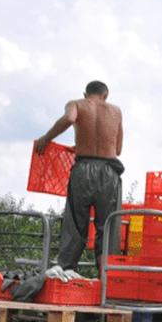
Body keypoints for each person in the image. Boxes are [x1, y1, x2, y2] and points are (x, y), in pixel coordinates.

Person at [36, 80, 124, 273]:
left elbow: (69, 118)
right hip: (109, 172)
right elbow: (117, 149)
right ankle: (107, 277)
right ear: (105, 95)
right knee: (108, 225)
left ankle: (65, 271)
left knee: (75, 224)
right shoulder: (116, 111)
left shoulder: (76, 104)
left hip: (83, 169)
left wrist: (46, 138)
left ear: (85, 94)